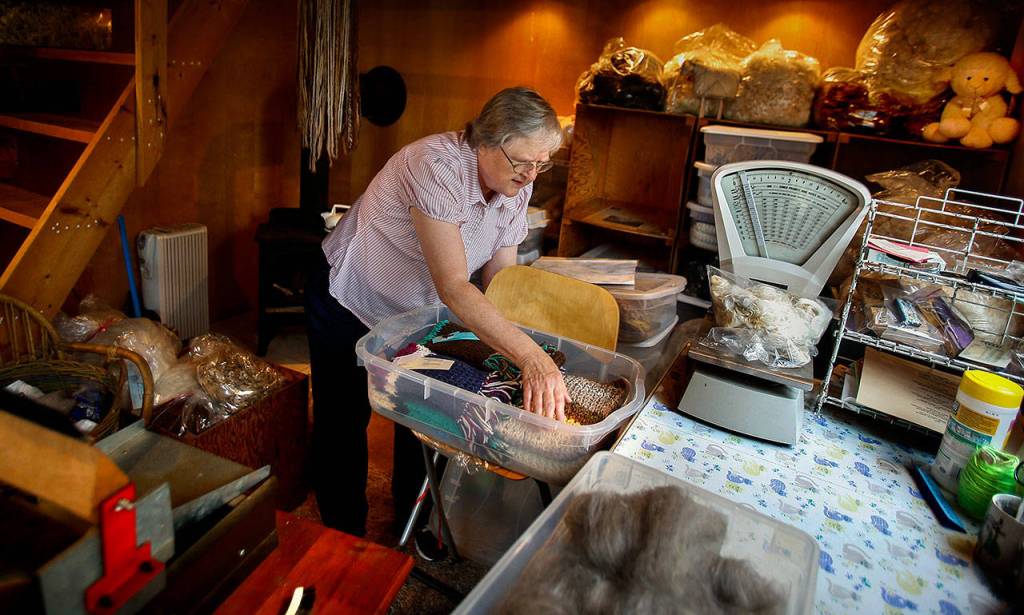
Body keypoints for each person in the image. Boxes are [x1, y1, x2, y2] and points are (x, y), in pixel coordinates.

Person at [305, 87, 570, 540]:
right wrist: (531, 358)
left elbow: (499, 279)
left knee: (427, 418)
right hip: (351, 298)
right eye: (522, 162)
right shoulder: (436, 165)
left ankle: (411, 529)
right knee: (343, 421)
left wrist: (507, 349)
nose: (530, 175)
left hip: (421, 313)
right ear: (485, 140)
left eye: (541, 164)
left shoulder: (512, 182)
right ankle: (341, 537)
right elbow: (454, 285)